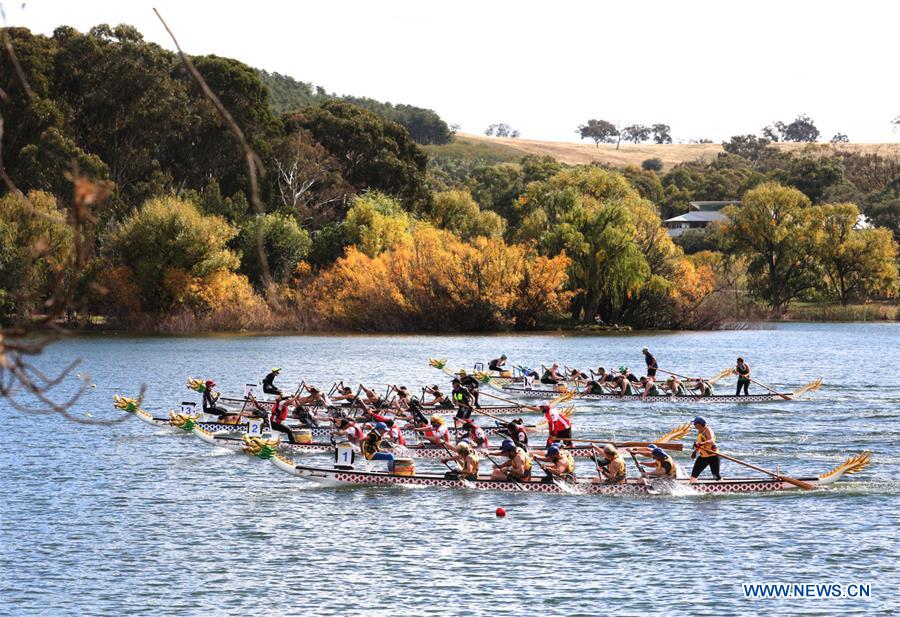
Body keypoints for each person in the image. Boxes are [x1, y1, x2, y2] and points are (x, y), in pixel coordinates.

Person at [689, 417, 721, 481]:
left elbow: (712, 440)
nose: (694, 425)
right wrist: (695, 452)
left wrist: (702, 443)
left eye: (695, 423)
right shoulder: (700, 431)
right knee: (694, 475)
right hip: (703, 457)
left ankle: (722, 485)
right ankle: (693, 486)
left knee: (715, 476)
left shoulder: (708, 430)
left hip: (713, 456)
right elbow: (699, 444)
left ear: (699, 424)